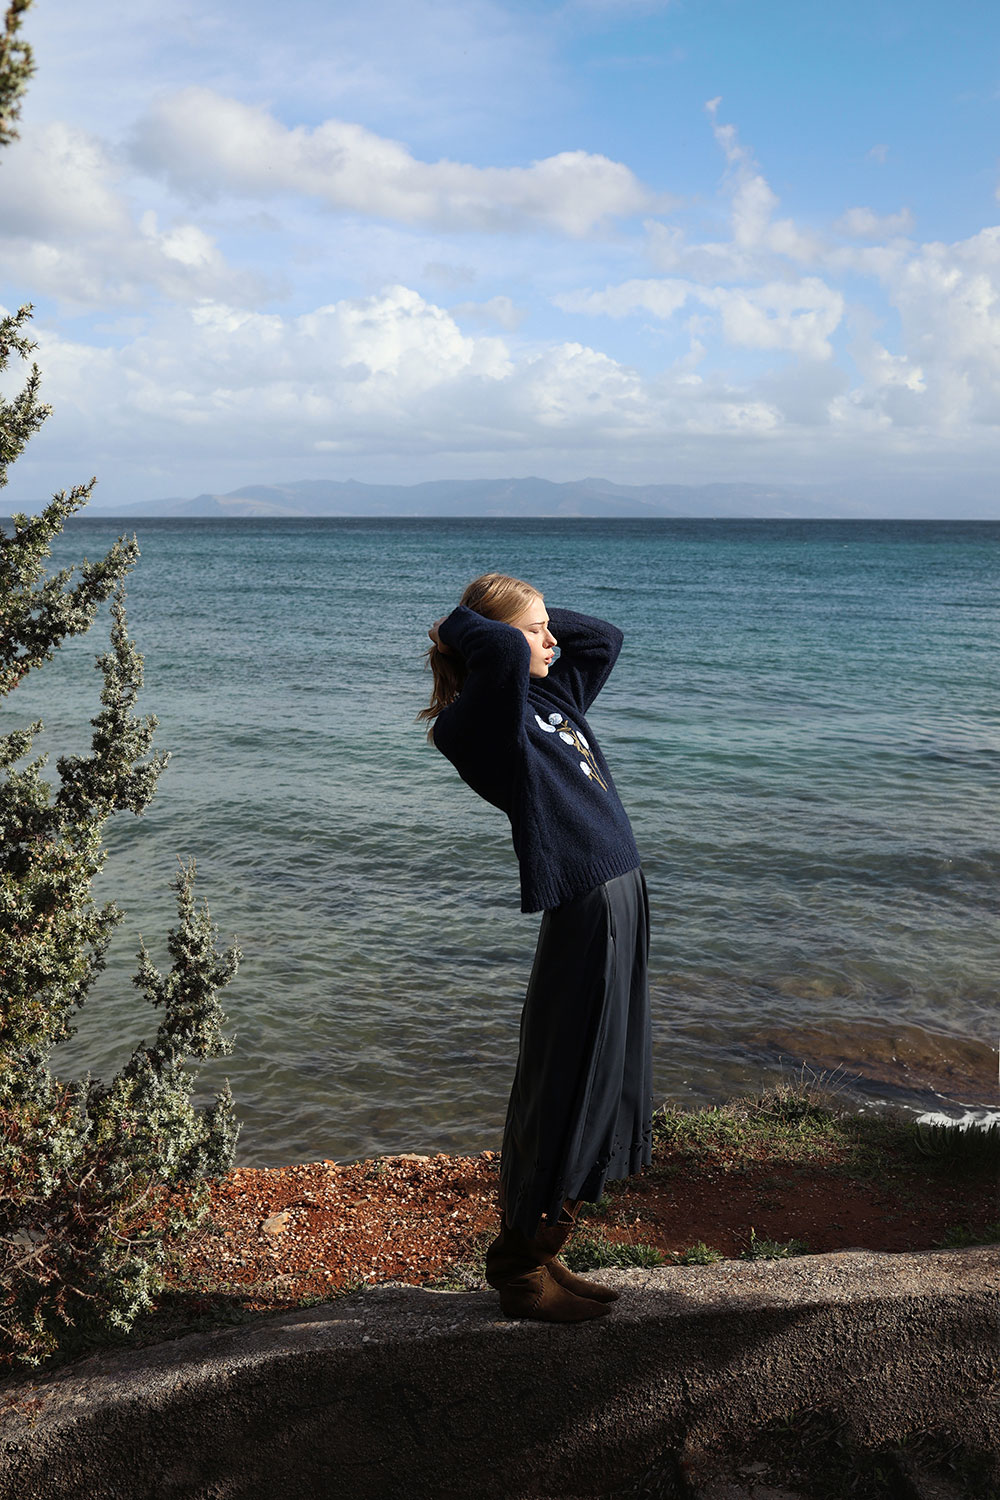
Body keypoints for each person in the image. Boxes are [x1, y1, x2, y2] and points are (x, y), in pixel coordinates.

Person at [420, 572, 653, 1323]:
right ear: (490, 646)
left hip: (621, 891)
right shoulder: (478, 723)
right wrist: (464, 623)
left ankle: (544, 1247)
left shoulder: (549, 696)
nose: (553, 641)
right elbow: (496, 654)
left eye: (548, 627)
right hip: (587, 902)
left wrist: (532, 618)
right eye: (535, 631)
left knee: (604, 1075)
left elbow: (602, 639)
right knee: (570, 1077)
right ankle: (519, 1267)